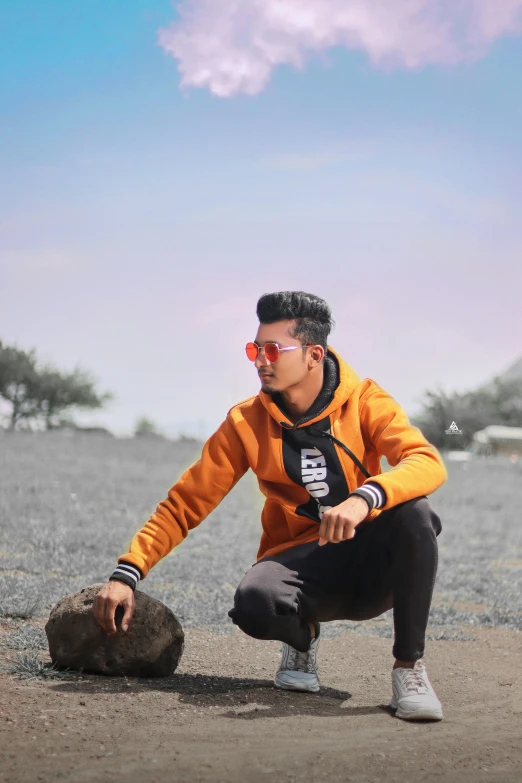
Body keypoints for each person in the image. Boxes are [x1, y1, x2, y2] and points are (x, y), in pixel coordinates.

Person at [94, 290, 447, 721]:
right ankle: (302, 640)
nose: (261, 359)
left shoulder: (367, 401)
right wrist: (126, 573)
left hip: (374, 563)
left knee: (415, 514)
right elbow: (186, 502)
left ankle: (408, 669)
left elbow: (425, 461)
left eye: (273, 349)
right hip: (305, 565)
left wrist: (363, 498)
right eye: (254, 349)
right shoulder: (246, 422)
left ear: (314, 354)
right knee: (254, 604)